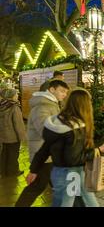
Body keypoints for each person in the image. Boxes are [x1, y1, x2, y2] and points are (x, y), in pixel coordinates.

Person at [26, 89, 104, 207]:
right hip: (73, 175)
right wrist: (99, 150)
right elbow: (74, 159)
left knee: (78, 201)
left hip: (58, 172)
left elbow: (45, 149)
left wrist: (34, 170)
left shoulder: (56, 122)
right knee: (75, 203)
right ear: (84, 105)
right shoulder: (76, 128)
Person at [15, 79, 70, 207]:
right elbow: (46, 130)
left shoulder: (52, 105)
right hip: (44, 155)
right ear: (51, 90)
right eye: (62, 91)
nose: (64, 95)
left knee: (59, 186)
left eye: (66, 92)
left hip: (50, 155)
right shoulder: (43, 106)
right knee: (37, 186)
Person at [0, 89, 26, 177]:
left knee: (4, 154)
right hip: (13, 137)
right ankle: (13, 172)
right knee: (13, 155)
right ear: (11, 96)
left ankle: (3, 171)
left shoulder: (1, 105)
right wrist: (22, 137)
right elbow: (18, 124)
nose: (17, 96)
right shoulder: (14, 107)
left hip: (3, 136)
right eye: (16, 95)